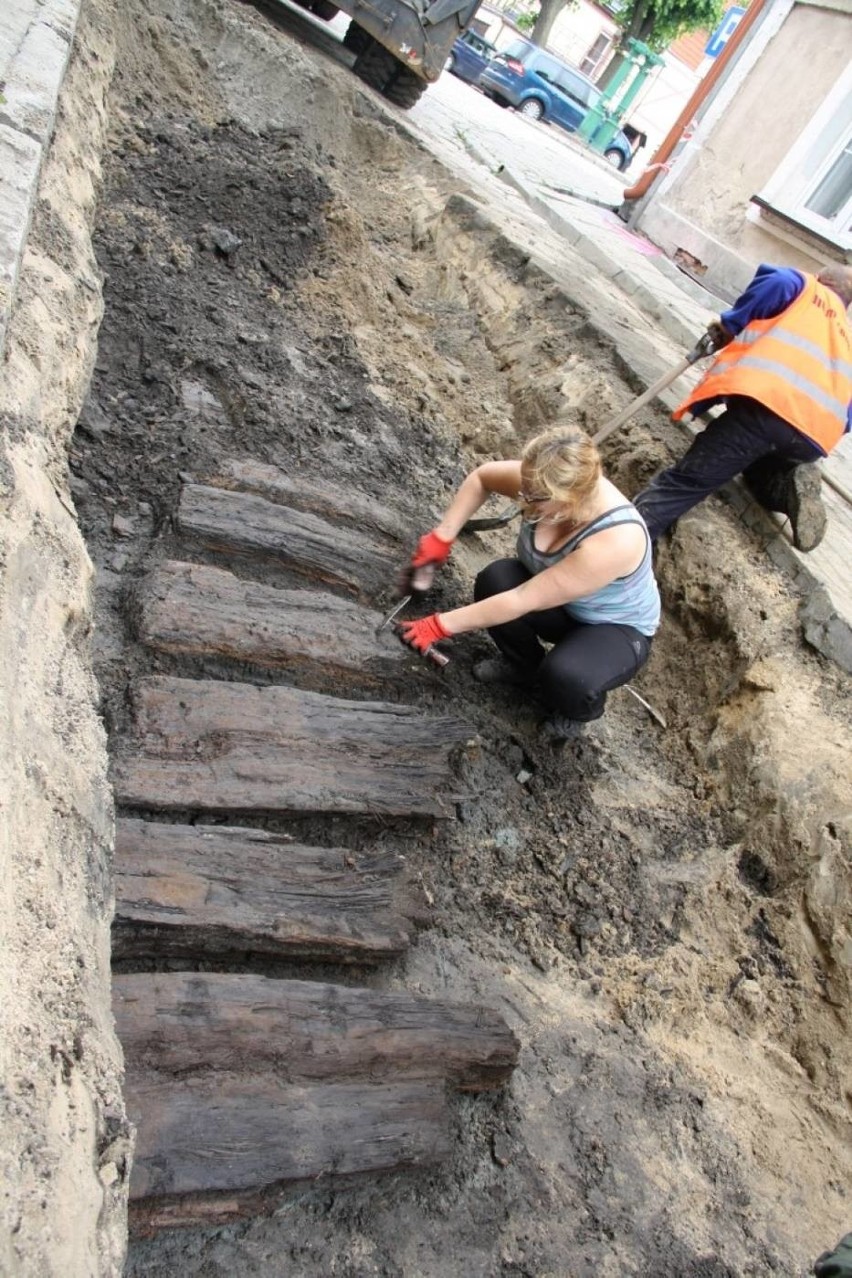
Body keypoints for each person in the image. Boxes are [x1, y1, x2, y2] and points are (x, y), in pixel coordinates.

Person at [396, 426, 660, 742]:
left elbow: (523, 598)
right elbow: (482, 478)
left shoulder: (615, 541)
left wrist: (438, 626)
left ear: (569, 499)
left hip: (614, 629)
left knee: (567, 677)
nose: (523, 499)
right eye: (524, 488)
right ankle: (524, 668)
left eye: (533, 497)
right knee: (496, 579)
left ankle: (576, 709)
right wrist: (443, 535)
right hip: (562, 604)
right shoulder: (541, 482)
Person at [633, 263, 852, 552]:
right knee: (757, 467)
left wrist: (727, 326)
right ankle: (785, 483)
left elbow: (743, 314)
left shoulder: (799, 284)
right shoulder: (846, 339)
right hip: (811, 441)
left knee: (684, 482)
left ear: (821, 278)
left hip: (765, 413)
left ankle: (613, 547)